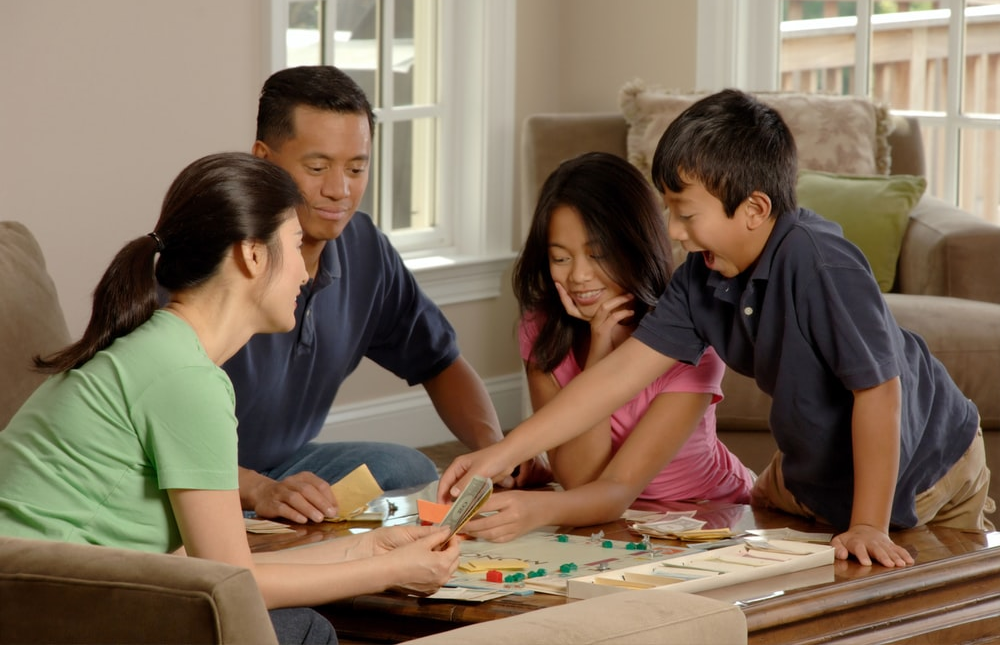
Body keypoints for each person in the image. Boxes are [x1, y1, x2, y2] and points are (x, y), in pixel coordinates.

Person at [439, 89, 995, 569]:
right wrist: (501, 454)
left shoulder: (821, 263)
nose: (675, 233)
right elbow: (612, 381)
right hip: (814, 470)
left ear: (754, 208)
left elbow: (879, 391)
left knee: (914, 593)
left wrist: (869, 523)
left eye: (686, 214)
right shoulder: (699, 281)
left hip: (924, 462)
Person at [0, 153, 460, 645]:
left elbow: (208, 565)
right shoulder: (185, 378)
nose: (306, 275)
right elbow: (231, 583)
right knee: (302, 629)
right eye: (297, 245)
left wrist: (374, 550)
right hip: (43, 615)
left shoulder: (160, 350)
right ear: (253, 255)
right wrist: (389, 572)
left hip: (45, 600)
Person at [226, 65, 548, 525]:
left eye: (357, 168)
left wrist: (492, 452)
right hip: (192, 481)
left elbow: (440, 361)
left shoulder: (363, 247)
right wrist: (257, 489)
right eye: (317, 168)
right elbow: (151, 439)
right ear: (263, 159)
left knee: (406, 468)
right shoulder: (216, 259)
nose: (339, 190)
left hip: (284, 465)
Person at [461, 152, 754, 543]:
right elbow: (579, 479)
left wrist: (537, 507)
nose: (579, 276)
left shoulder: (692, 339)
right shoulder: (543, 330)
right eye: (561, 258)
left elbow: (615, 488)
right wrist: (599, 349)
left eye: (598, 255)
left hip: (707, 512)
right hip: (608, 520)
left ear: (636, 245)